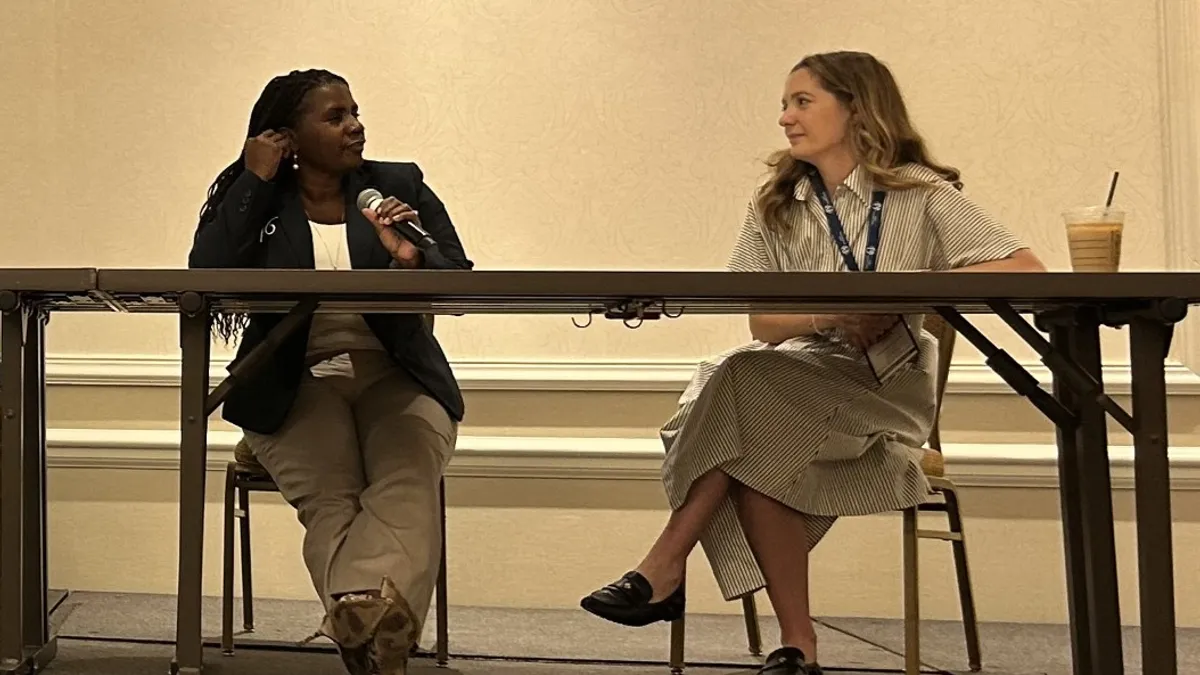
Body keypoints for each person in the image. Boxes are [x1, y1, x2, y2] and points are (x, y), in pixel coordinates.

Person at [580, 51, 1046, 675]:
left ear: (856, 108)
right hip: (796, 373)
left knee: (741, 385)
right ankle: (797, 645)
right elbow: (763, 323)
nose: (784, 118)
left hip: (885, 383)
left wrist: (908, 287)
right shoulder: (778, 202)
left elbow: (1024, 270)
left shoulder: (919, 192)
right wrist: (833, 316)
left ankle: (665, 564)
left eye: (802, 102)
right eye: (784, 104)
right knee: (753, 410)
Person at [188, 69, 473, 675]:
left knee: (408, 467)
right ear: (288, 136)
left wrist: (410, 259)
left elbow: (458, 275)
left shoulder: (398, 186)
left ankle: (357, 615)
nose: (355, 126)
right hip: (293, 374)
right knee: (332, 488)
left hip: (394, 370)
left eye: (355, 112)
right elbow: (205, 276)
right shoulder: (260, 195)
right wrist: (254, 176)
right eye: (336, 116)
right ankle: (379, 628)